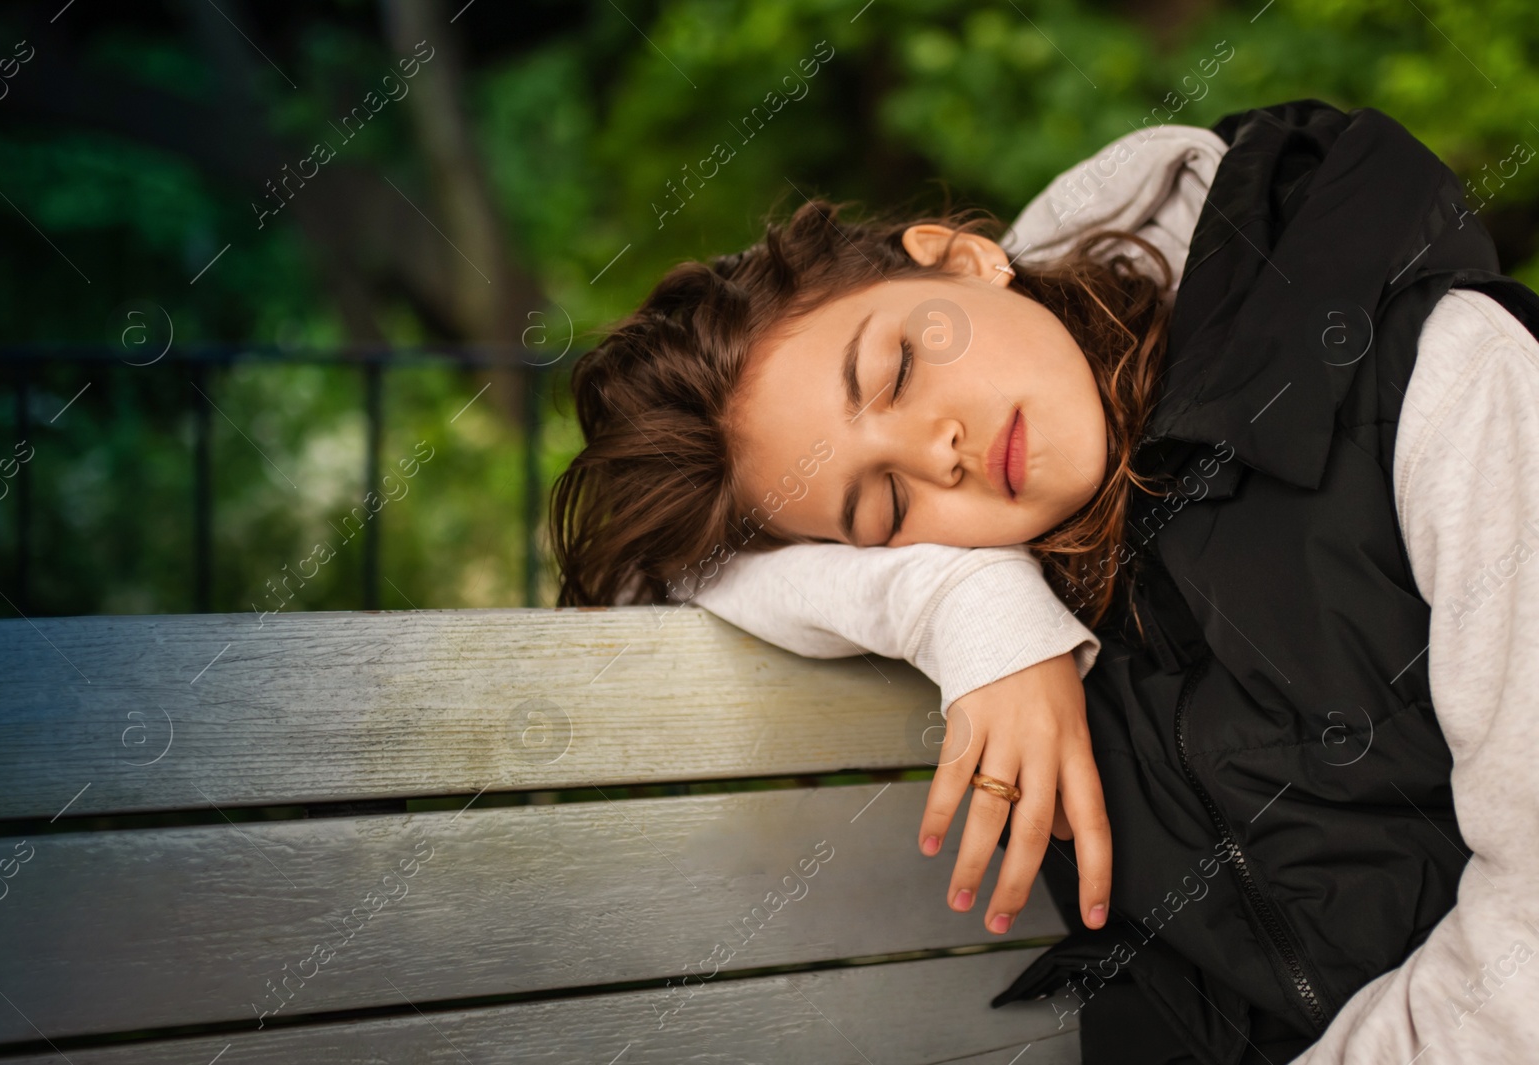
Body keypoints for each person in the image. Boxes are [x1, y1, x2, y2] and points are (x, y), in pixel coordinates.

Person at [549, 100, 1539, 1062]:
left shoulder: (1443, 379)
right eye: (881, 506)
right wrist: (967, 609)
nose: (935, 455)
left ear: (964, 259)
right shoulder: (1031, 575)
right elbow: (661, 577)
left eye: (895, 370)